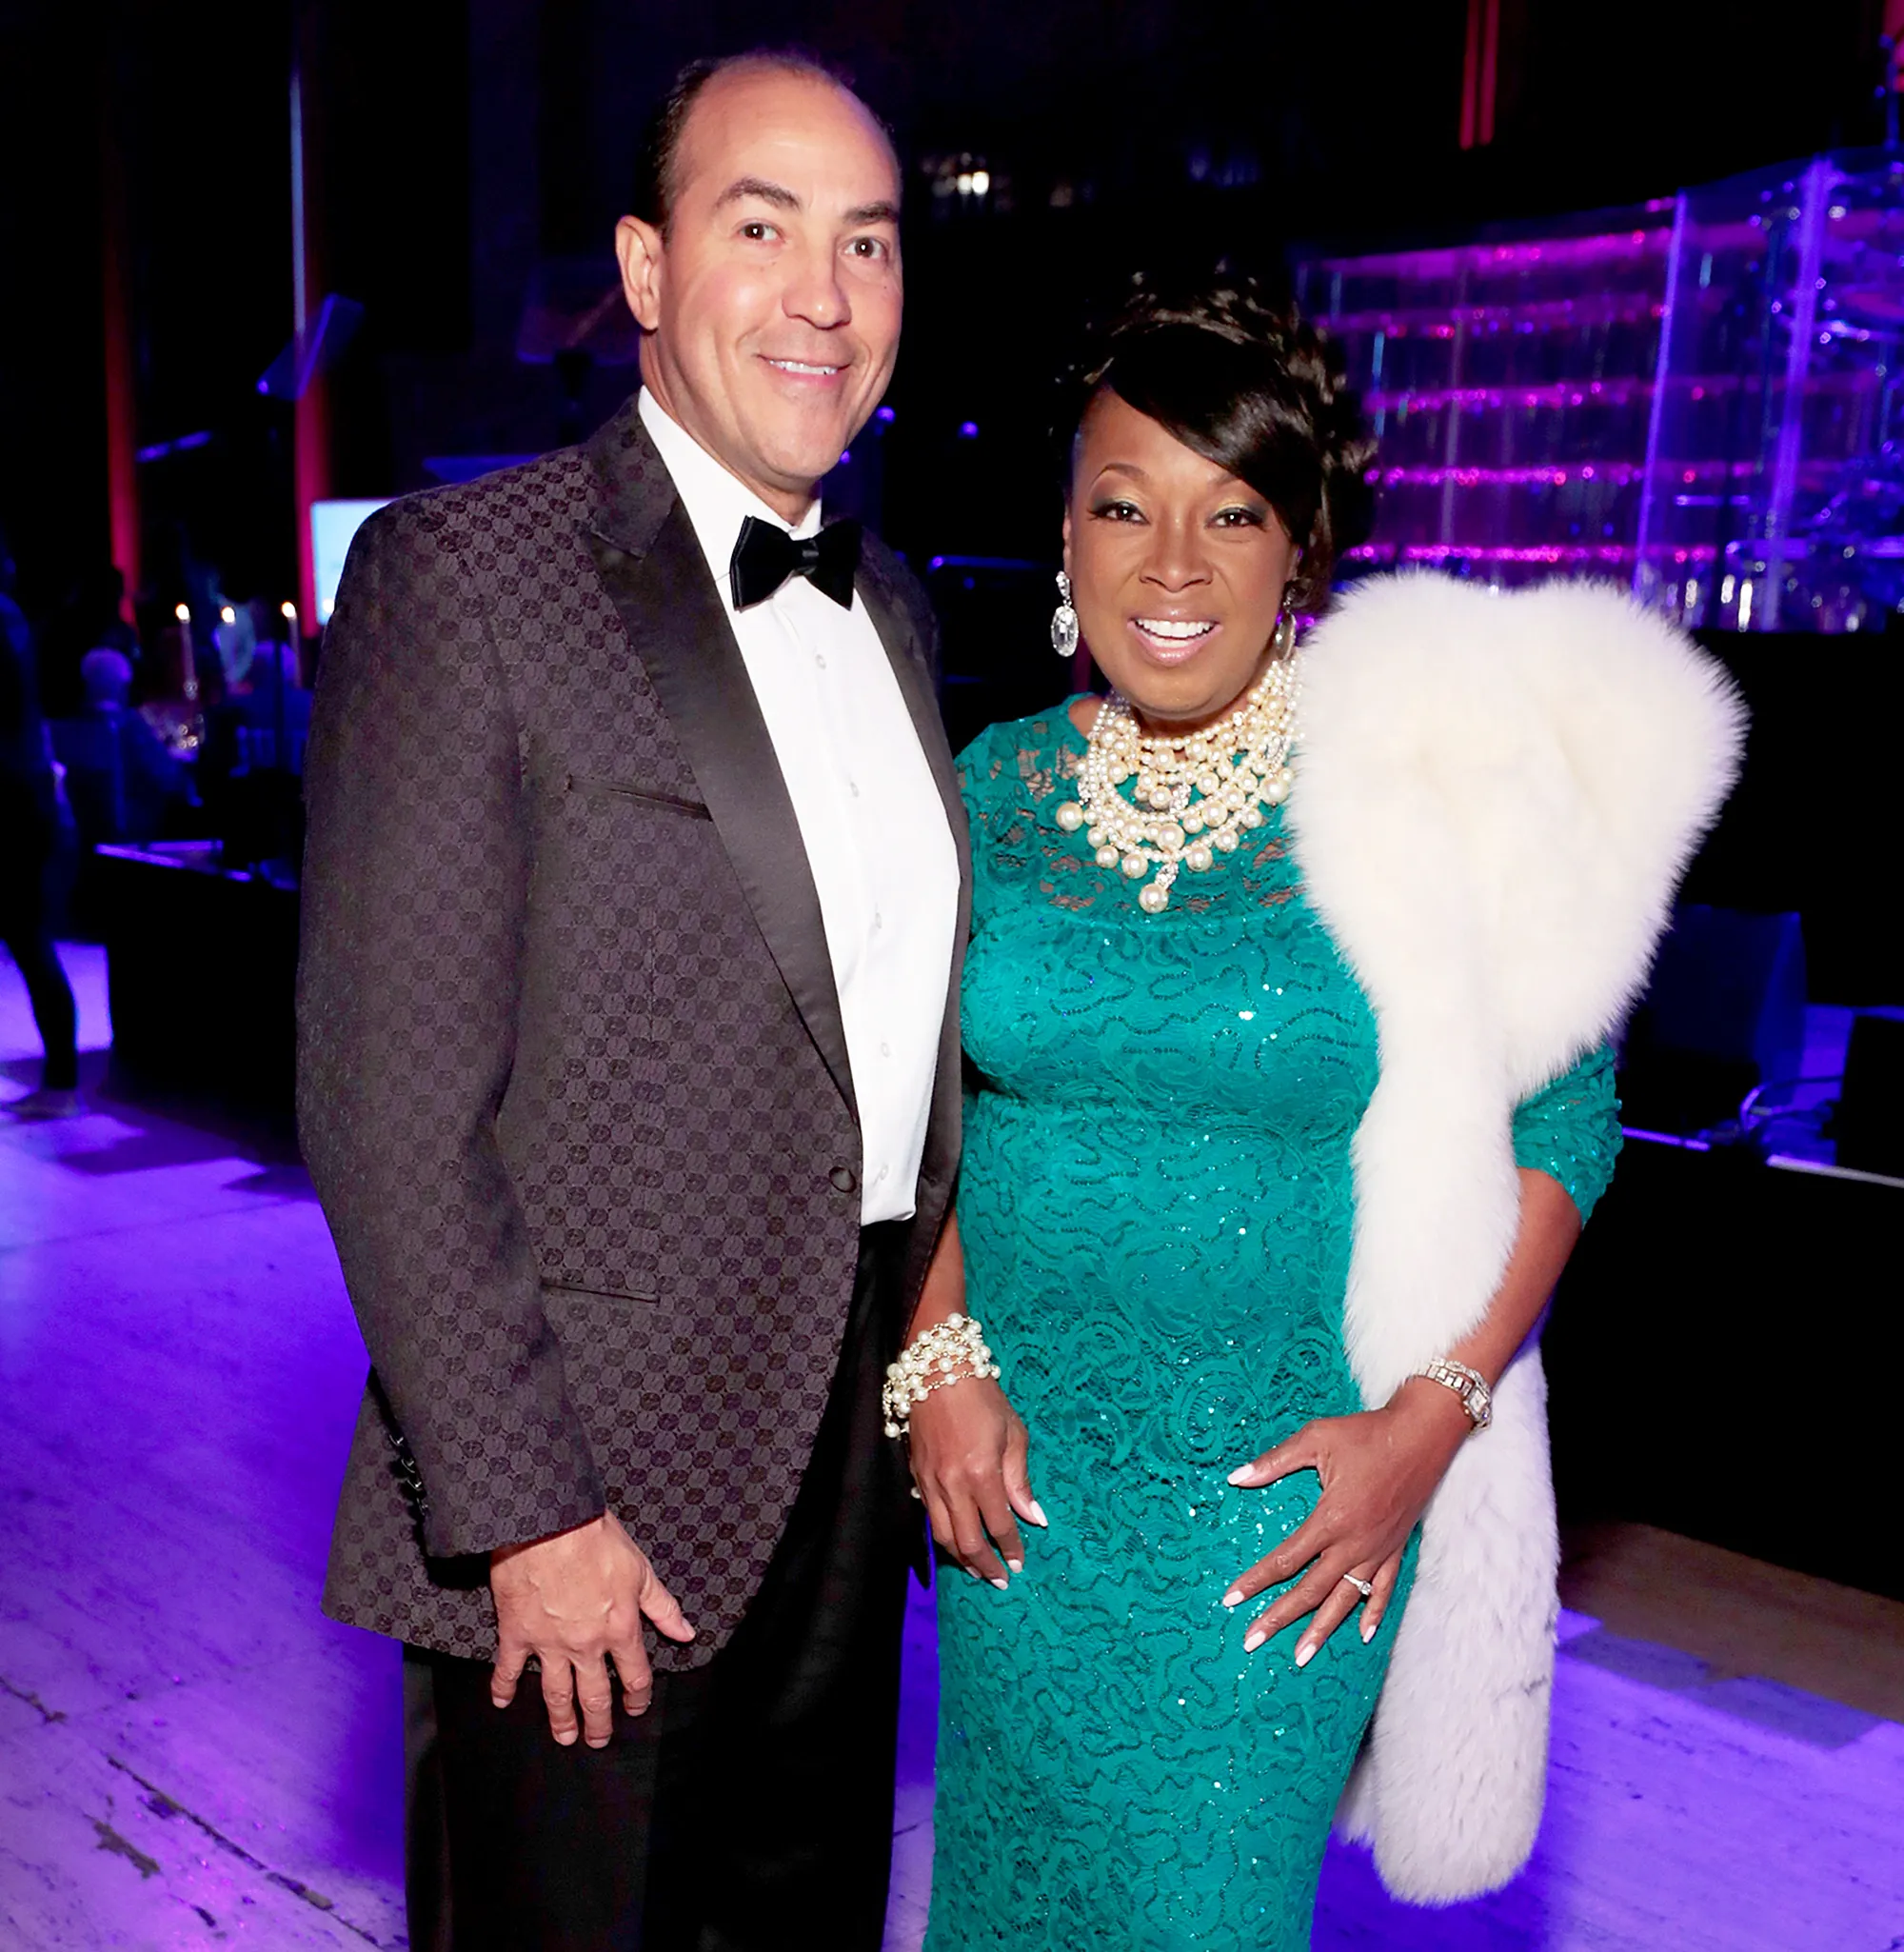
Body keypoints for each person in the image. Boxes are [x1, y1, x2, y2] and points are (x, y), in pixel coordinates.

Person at [895, 280, 1745, 1950]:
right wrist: (935, 1360)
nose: (1175, 564)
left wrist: (1424, 1433)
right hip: (1020, 1516)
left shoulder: (1402, 795)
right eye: (1124, 507)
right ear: (1063, 540)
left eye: (1235, 515)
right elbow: (900, 1116)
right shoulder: (985, 789)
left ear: (1302, 555)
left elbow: (1564, 1127)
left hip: (1287, 1523)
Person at [297, 50, 963, 1952]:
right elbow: (384, 1096)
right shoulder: (467, 576)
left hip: (843, 1469)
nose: (824, 296)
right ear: (648, 269)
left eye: (868, 243)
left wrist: (932, 1346)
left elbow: (877, 1048)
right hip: (584, 1490)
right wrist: (523, 1510)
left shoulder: (895, 604)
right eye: (762, 229)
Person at [0, 536, 82, 1120]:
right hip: (22, 790)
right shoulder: (11, 617)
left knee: (27, 935)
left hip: (12, 795)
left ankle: (61, 1082)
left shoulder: (3, 620)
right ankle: (60, 1081)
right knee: (27, 936)